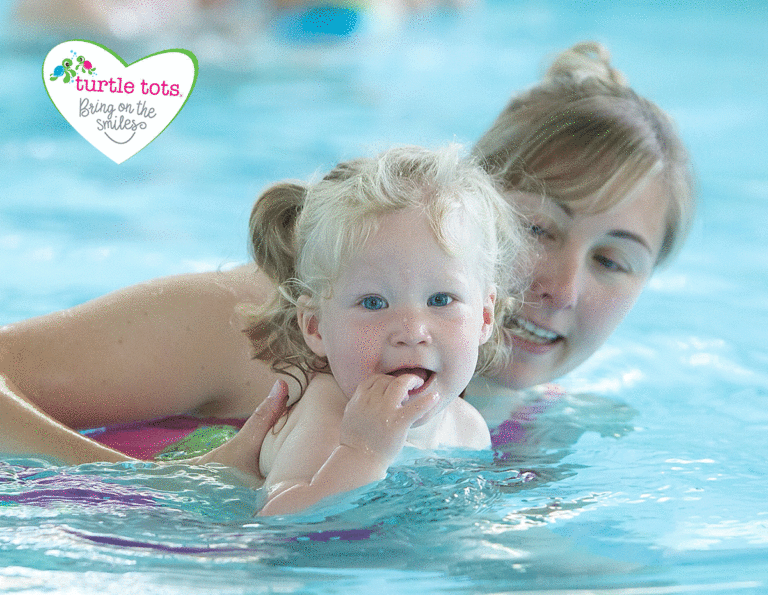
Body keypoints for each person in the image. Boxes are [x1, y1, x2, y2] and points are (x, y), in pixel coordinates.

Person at [0, 41, 695, 474]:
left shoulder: (530, 425)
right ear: (473, 214)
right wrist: (153, 490)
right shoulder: (253, 324)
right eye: (541, 231)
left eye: (613, 261)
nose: (562, 288)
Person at [241, 144, 524, 514]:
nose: (412, 331)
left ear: (485, 317)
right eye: (373, 303)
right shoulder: (328, 421)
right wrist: (363, 453)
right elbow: (275, 523)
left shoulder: (468, 430)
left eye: (441, 300)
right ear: (316, 327)